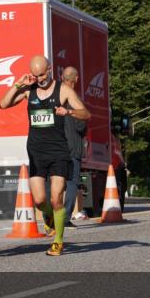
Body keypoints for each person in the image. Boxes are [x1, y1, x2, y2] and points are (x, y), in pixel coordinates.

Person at [0, 55, 90, 256]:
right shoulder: (28, 91)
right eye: (35, 75)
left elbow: (85, 113)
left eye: (42, 74)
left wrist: (68, 112)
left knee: (56, 198)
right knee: (40, 200)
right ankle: (49, 217)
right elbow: (3, 104)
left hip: (59, 151)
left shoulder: (63, 90)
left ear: (49, 69)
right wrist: (18, 84)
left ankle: (58, 241)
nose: (39, 78)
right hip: (36, 151)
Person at [61, 66, 87, 228]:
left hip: (55, 145)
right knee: (71, 182)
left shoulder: (55, 96)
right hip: (72, 146)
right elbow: (80, 126)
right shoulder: (75, 100)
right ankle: (64, 217)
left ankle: (50, 215)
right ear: (76, 79)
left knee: (54, 181)